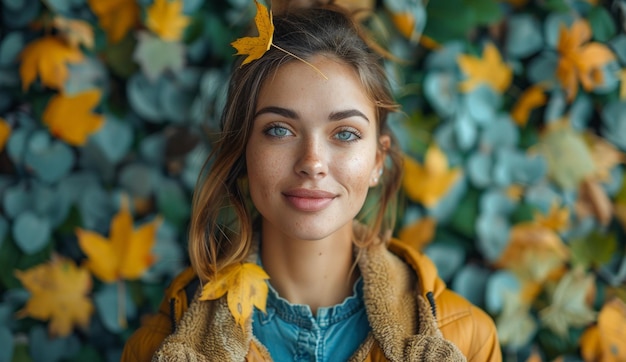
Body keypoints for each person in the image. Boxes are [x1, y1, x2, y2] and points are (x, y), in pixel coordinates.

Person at [122, 5, 501, 361]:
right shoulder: (159, 348)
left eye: (346, 134)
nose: (312, 163)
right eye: (279, 129)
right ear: (243, 151)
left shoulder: (467, 341)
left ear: (378, 160)